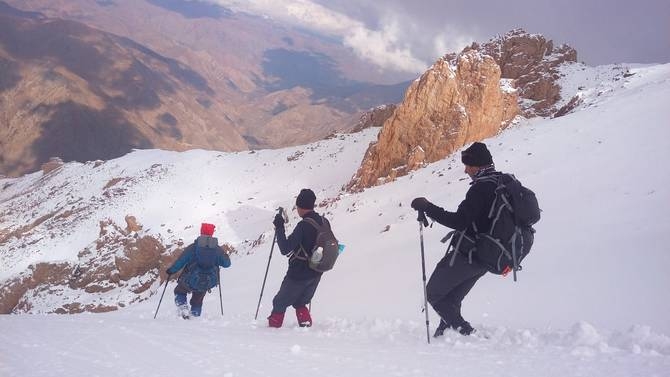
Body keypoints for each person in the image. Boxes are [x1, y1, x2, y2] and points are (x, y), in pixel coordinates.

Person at [411, 142, 499, 337]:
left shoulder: (481, 189)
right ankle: (445, 333)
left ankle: (466, 333)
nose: (466, 170)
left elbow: (459, 221)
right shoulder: (501, 182)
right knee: (451, 297)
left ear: (479, 166)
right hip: (489, 255)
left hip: (471, 254)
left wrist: (427, 207)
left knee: (434, 293)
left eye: (469, 165)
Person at [267, 188, 325, 328]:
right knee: (300, 302)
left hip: (298, 274)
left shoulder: (303, 225)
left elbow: (285, 248)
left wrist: (280, 227)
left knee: (280, 302)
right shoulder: (324, 221)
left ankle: (272, 329)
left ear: (300, 206)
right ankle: (305, 325)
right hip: (317, 272)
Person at [166, 222, 231, 318]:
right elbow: (227, 264)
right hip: (208, 281)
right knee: (198, 300)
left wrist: (171, 270)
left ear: (201, 232)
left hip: (190, 279)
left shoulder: (193, 247)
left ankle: (183, 308)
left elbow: (181, 261)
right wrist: (224, 255)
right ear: (212, 233)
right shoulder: (217, 250)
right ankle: (195, 317)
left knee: (179, 291)